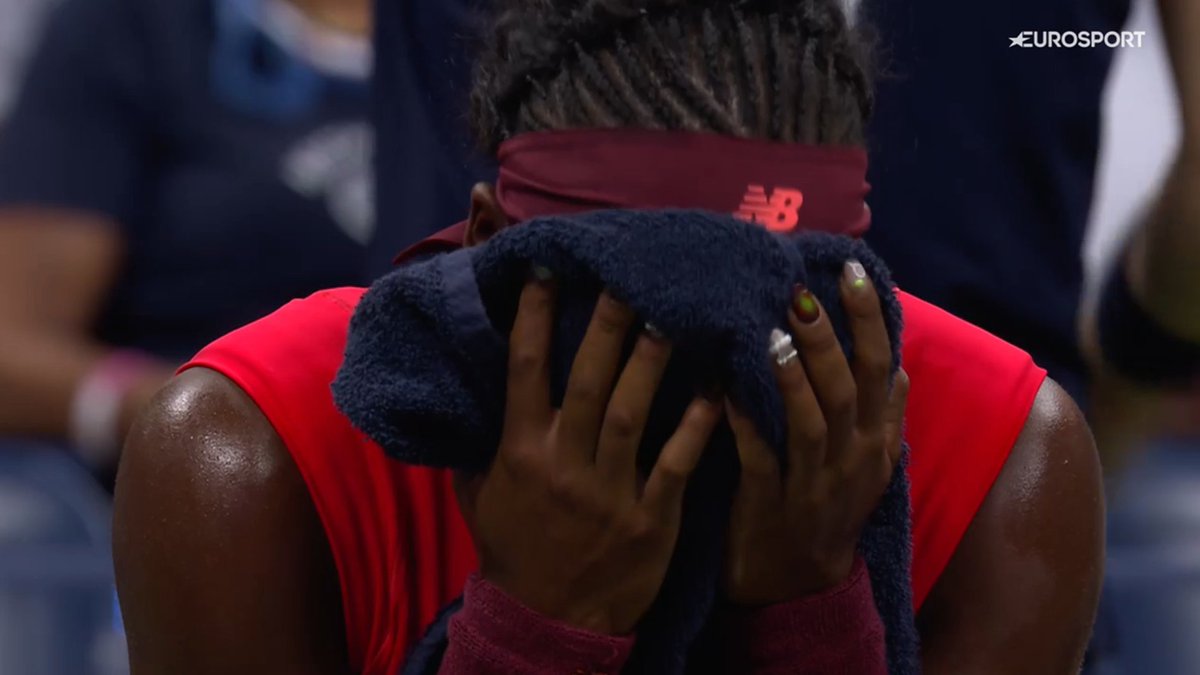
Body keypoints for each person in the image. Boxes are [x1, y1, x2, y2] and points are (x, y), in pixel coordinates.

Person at [113, 1, 1104, 673]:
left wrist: (809, 612)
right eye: (639, 307)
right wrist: (533, 631)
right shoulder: (251, 454)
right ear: (487, 247)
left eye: (762, 309)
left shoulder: (1003, 458)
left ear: (852, 274)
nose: (700, 368)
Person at [0, 0, 374, 471]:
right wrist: (201, 413)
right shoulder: (138, 24)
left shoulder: (476, 36)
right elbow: (10, 351)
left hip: (427, 459)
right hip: (187, 456)